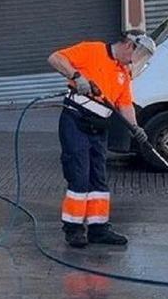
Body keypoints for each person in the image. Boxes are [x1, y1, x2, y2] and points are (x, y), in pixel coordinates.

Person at [47, 30, 156, 248]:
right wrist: (77, 77)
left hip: (99, 128)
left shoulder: (123, 73)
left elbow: (124, 104)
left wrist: (135, 128)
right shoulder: (92, 50)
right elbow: (55, 58)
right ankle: (74, 229)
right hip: (75, 121)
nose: (136, 60)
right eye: (138, 54)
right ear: (129, 46)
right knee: (79, 175)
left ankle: (99, 229)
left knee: (99, 178)